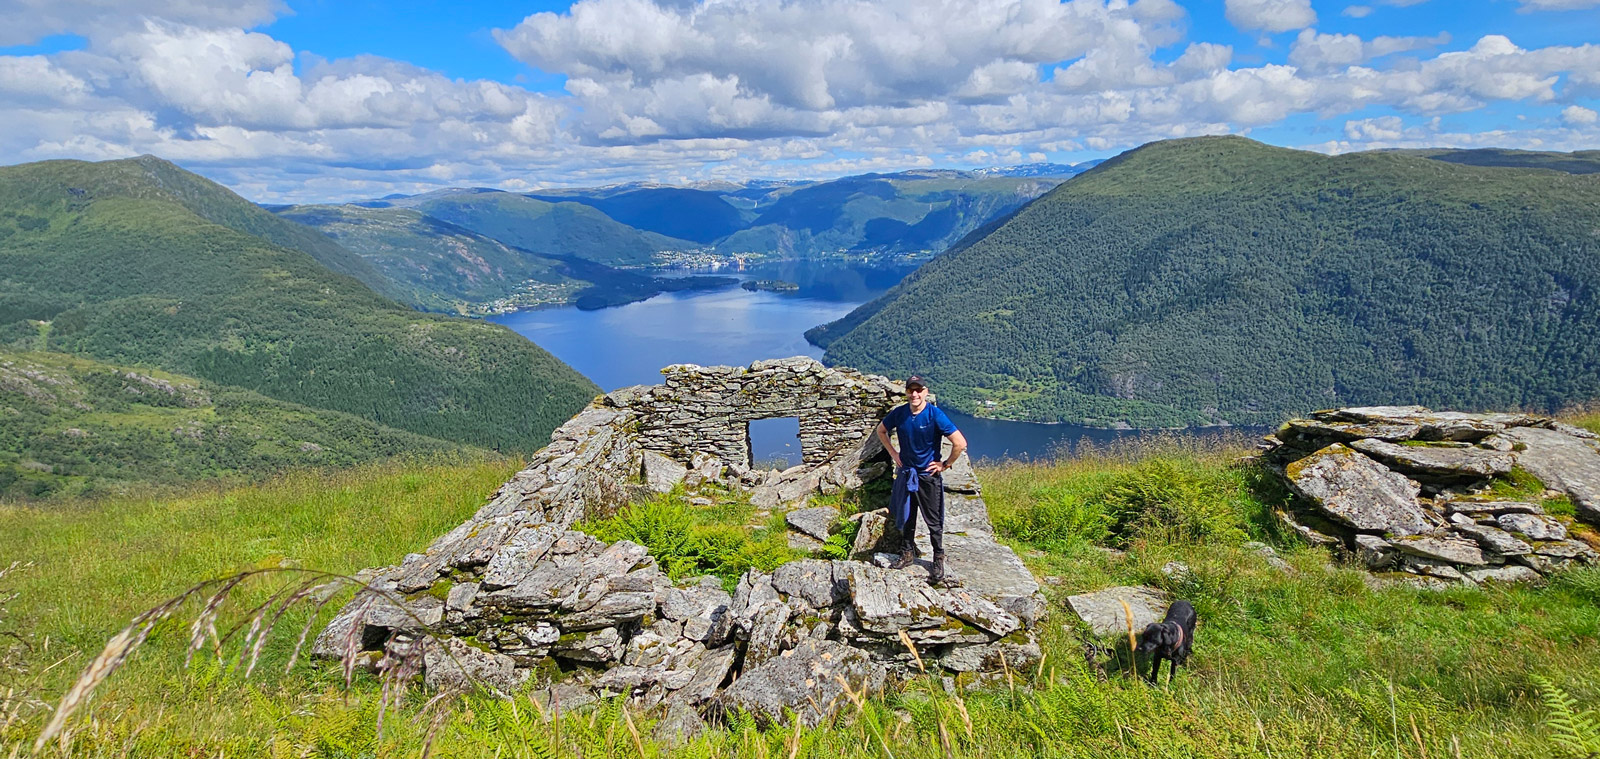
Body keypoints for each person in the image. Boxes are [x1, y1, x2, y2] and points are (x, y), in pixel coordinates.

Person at [875, 375, 967, 586]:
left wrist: (945, 464)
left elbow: (960, 443)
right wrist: (894, 454)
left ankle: (937, 559)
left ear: (925, 392)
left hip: (927, 477)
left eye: (919, 390)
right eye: (911, 390)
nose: (914, 394)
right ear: (906, 392)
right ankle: (907, 553)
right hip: (907, 473)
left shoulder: (935, 415)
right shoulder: (899, 413)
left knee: (933, 520)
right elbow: (881, 430)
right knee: (907, 515)